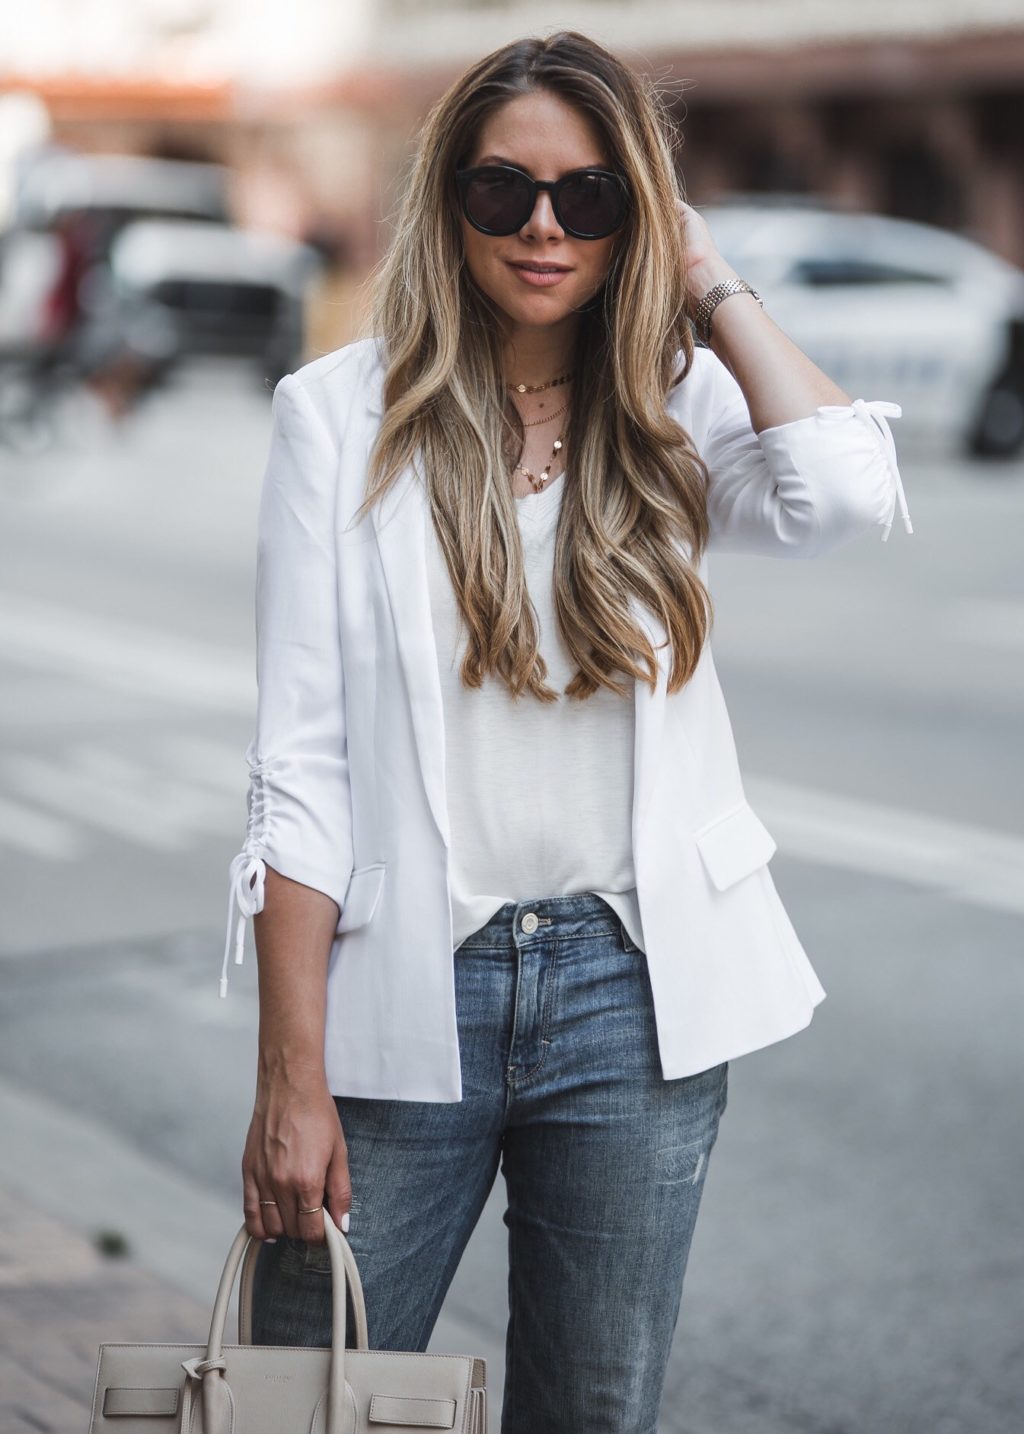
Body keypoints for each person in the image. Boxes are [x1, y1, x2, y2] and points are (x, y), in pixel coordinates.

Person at [221, 29, 913, 1432]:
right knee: (298, 1397)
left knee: (594, 1408)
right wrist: (289, 1076)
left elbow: (843, 492)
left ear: (635, 213)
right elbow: (300, 771)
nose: (545, 226)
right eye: (505, 191)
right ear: (449, 201)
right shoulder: (336, 419)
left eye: (592, 196)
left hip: (630, 990)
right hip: (409, 985)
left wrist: (705, 278)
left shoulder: (673, 401)